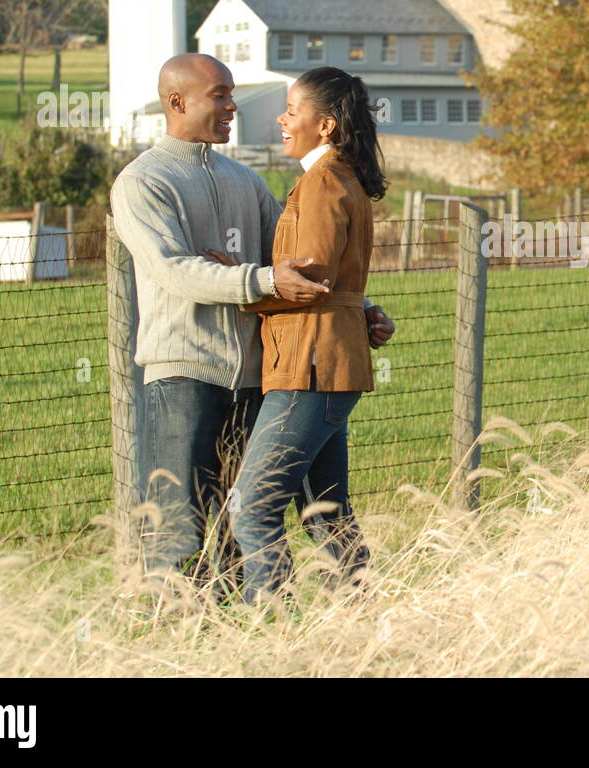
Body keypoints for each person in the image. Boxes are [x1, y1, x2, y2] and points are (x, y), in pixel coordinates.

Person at [110, 54, 395, 595]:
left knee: (239, 528)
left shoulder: (247, 180)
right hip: (185, 373)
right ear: (178, 101)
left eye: (231, 93)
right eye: (220, 94)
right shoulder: (142, 182)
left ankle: (256, 640)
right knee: (182, 528)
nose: (233, 105)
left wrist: (357, 310)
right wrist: (256, 282)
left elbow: (298, 266)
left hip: (258, 378)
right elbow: (174, 271)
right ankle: (183, 639)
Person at [224, 66, 385, 603]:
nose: (282, 119)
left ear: (326, 125)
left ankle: (275, 629)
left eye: (293, 111)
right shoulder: (344, 178)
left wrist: (235, 281)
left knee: (252, 507)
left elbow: (308, 282)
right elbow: (334, 280)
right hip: (332, 365)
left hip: (309, 367)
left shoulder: (322, 182)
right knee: (327, 514)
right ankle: (362, 625)